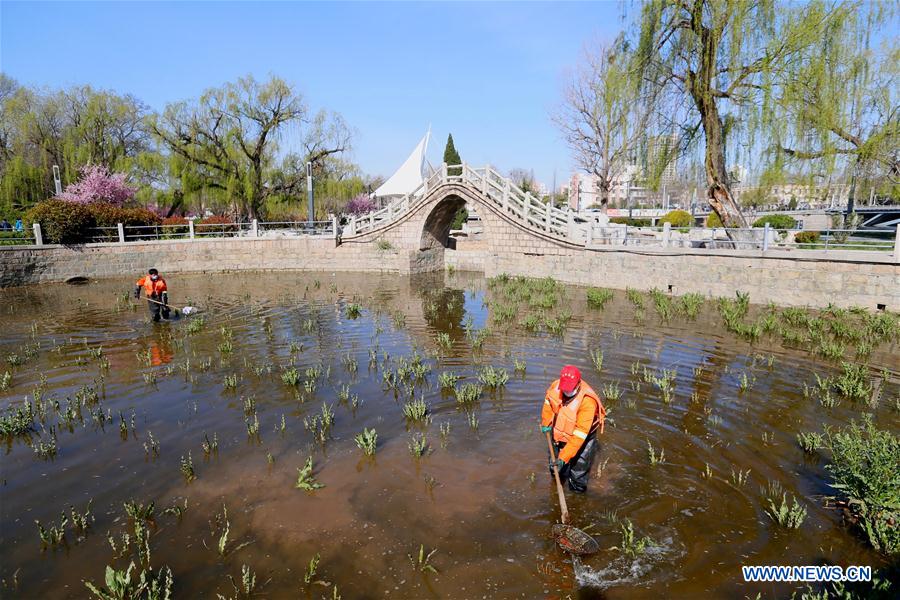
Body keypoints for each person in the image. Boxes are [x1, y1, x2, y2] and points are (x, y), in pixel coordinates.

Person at [540, 365, 606, 493]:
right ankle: (557, 482)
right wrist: (546, 424)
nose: (566, 392)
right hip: (561, 428)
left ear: (578, 384)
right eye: (564, 389)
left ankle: (577, 495)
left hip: (583, 435)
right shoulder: (556, 386)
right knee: (555, 466)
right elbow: (548, 404)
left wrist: (563, 458)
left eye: (570, 389)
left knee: (579, 469)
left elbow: (578, 436)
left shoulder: (588, 402)